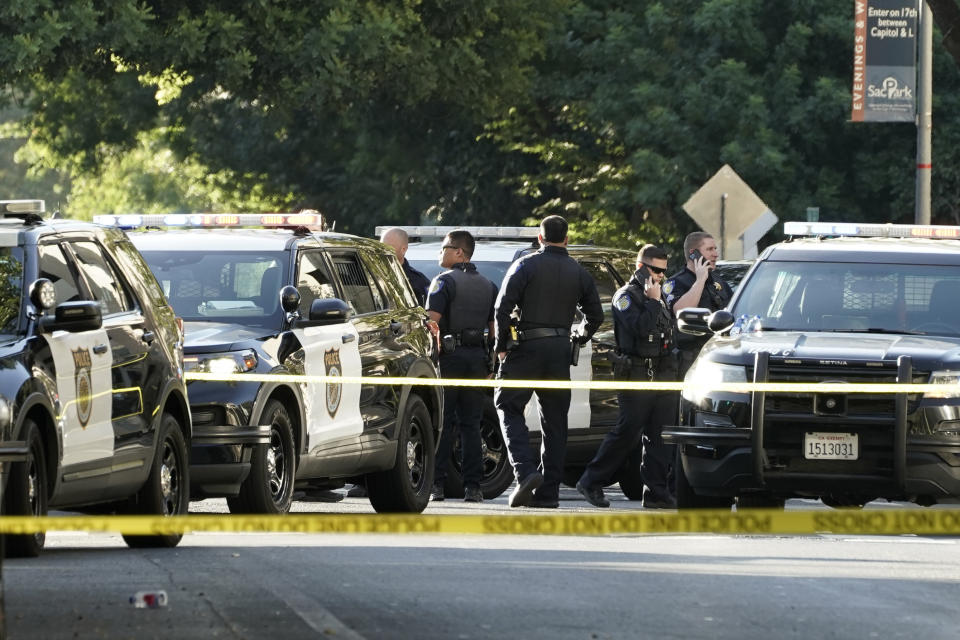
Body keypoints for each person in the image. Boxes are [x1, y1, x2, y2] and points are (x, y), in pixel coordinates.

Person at [493, 215, 603, 508]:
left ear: (539, 238)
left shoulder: (525, 265)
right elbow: (596, 316)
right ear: (566, 239)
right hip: (558, 351)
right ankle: (548, 494)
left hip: (526, 347)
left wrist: (500, 346)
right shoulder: (578, 271)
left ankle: (525, 472)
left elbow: (502, 308)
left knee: (507, 406)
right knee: (555, 423)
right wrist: (578, 337)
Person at [576, 245, 678, 509]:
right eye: (656, 270)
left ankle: (656, 491)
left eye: (664, 272)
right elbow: (640, 327)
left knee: (659, 434)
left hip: (662, 371)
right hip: (635, 372)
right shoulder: (626, 296)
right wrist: (654, 301)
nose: (661, 276)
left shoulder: (660, 294)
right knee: (627, 432)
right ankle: (591, 481)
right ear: (641, 268)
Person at [348, 227, 431, 499]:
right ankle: (359, 478)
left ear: (403, 251)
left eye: (389, 247)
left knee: (391, 413)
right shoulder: (363, 275)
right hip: (366, 352)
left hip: (400, 356)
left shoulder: (416, 282)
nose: (383, 251)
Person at [426, 230, 498, 503]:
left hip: (450, 358)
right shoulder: (489, 285)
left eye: (444, 247)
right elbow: (494, 331)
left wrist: (431, 358)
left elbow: (432, 322)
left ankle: (437, 485)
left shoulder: (443, 282)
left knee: (443, 422)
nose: (440, 253)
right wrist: (490, 363)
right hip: (477, 361)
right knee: (471, 424)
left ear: (459, 252)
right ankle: (473, 487)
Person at [664, 231, 734, 377]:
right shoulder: (676, 282)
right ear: (693, 253)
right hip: (691, 358)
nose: (715, 254)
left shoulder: (719, 282)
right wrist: (700, 280)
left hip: (721, 354)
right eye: (710, 249)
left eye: (715, 249)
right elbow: (680, 310)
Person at [381, 227, 431, 306]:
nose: (383, 250)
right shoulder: (369, 273)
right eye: (381, 246)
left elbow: (426, 314)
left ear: (403, 249)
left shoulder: (419, 282)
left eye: (388, 247)